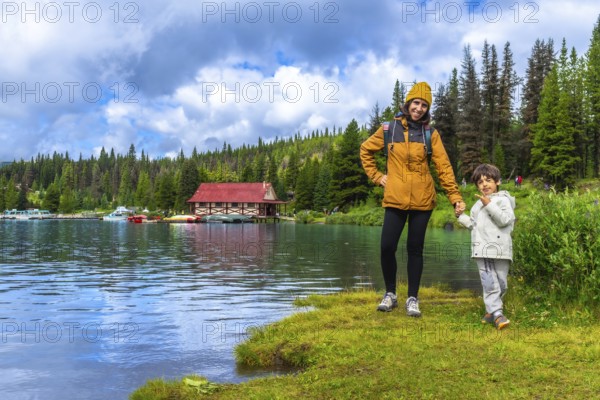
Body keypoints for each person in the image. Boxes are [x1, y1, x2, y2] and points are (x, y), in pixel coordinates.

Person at [360, 82, 465, 317]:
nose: (419, 108)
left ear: (428, 109)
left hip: (423, 199)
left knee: (415, 249)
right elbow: (365, 150)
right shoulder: (389, 129)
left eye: (424, 105)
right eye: (416, 103)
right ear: (408, 103)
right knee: (387, 247)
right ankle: (390, 294)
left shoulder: (430, 134)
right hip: (395, 197)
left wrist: (455, 197)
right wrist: (377, 177)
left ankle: (413, 298)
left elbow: (444, 167)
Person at [456, 164, 515, 330]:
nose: (484, 185)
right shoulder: (476, 205)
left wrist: (489, 204)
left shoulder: (504, 200)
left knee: (502, 284)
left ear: (498, 182)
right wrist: (461, 216)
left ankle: (491, 311)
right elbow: (473, 225)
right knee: (489, 283)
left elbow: (504, 220)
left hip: (501, 250)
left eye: (488, 180)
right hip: (482, 250)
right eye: (480, 182)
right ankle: (497, 314)